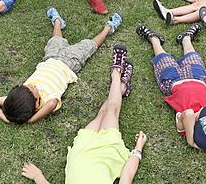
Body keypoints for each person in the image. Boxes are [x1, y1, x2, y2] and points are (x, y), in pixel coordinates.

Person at [19, 46, 145, 184]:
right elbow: (127, 175)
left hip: (82, 148)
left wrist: (37, 176)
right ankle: (116, 74)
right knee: (111, 111)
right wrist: (138, 148)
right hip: (107, 152)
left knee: (101, 114)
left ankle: (121, 87)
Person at [0, 8, 122, 124]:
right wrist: (32, 120)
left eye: (27, 85)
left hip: (49, 59)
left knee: (55, 40)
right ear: (37, 104)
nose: (32, 85)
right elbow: (51, 105)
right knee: (89, 45)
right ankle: (108, 28)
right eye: (33, 89)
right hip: (69, 63)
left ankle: (57, 22)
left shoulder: (16, 100)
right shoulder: (48, 100)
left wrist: (6, 118)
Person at [135, 24, 206, 151]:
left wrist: (192, 141)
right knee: (193, 57)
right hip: (197, 79)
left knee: (164, 59)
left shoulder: (185, 124)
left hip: (173, 81)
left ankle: (154, 39)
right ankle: (186, 38)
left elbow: (188, 114)